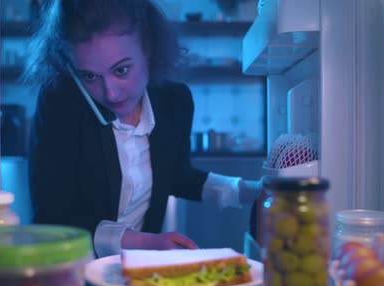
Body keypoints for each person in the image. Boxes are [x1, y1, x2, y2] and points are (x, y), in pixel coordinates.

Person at [24, 0, 262, 257]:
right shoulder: (60, 103)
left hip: (139, 274)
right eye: (90, 76)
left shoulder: (174, 101)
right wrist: (146, 242)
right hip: (76, 275)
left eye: (122, 70)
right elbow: (52, 218)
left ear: (149, 49)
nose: (110, 93)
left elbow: (177, 175)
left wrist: (249, 191)